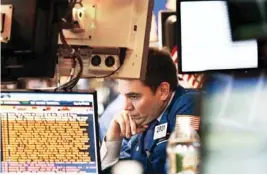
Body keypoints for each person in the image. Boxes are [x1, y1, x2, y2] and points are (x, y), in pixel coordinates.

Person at [100, 47, 201, 173]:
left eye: (134, 96)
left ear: (163, 90)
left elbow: (184, 167)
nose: (125, 107)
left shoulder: (189, 103)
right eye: (123, 96)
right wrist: (113, 139)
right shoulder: (146, 119)